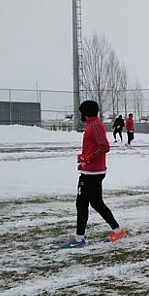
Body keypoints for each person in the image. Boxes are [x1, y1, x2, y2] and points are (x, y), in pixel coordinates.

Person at [60, 100, 126, 248]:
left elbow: (104, 146)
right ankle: (117, 231)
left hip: (92, 172)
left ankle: (79, 239)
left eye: (81, 112)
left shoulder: (95, 125)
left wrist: (88, 158)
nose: (80, 115)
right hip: (91, 170)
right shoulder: (92, 124)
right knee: (96, 203)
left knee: (82, 203)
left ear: (86, 112)